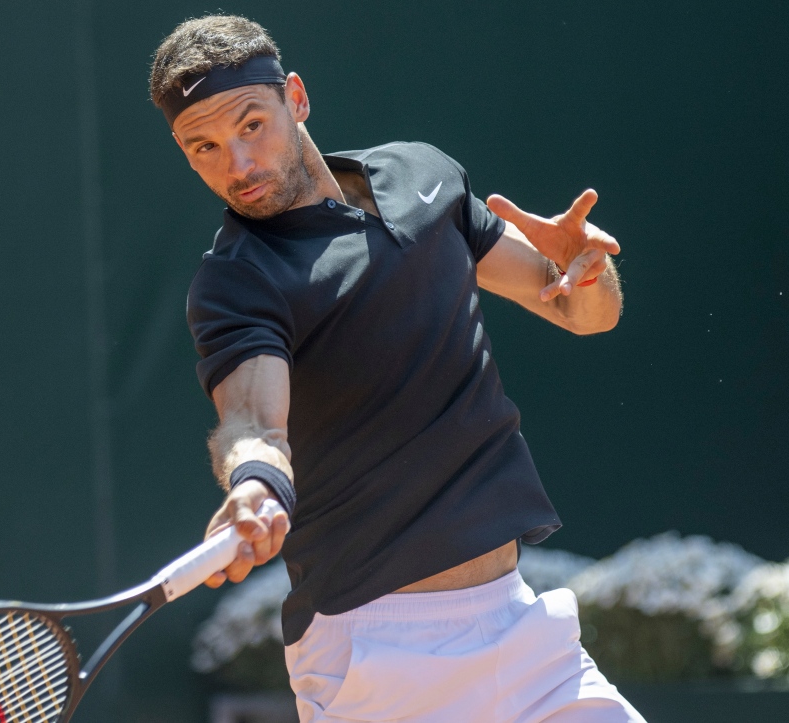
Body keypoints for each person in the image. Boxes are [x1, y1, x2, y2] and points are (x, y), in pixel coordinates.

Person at [150, 14, 644, 723]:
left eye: (251, 125)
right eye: (205, 147)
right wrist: (254, 483)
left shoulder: (422, 177)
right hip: (378, 658)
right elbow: (254, 420)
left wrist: (584, 273)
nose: (238, 164)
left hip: (522, 630)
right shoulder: (237, 280)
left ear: (295, 98)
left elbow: (579, 312)